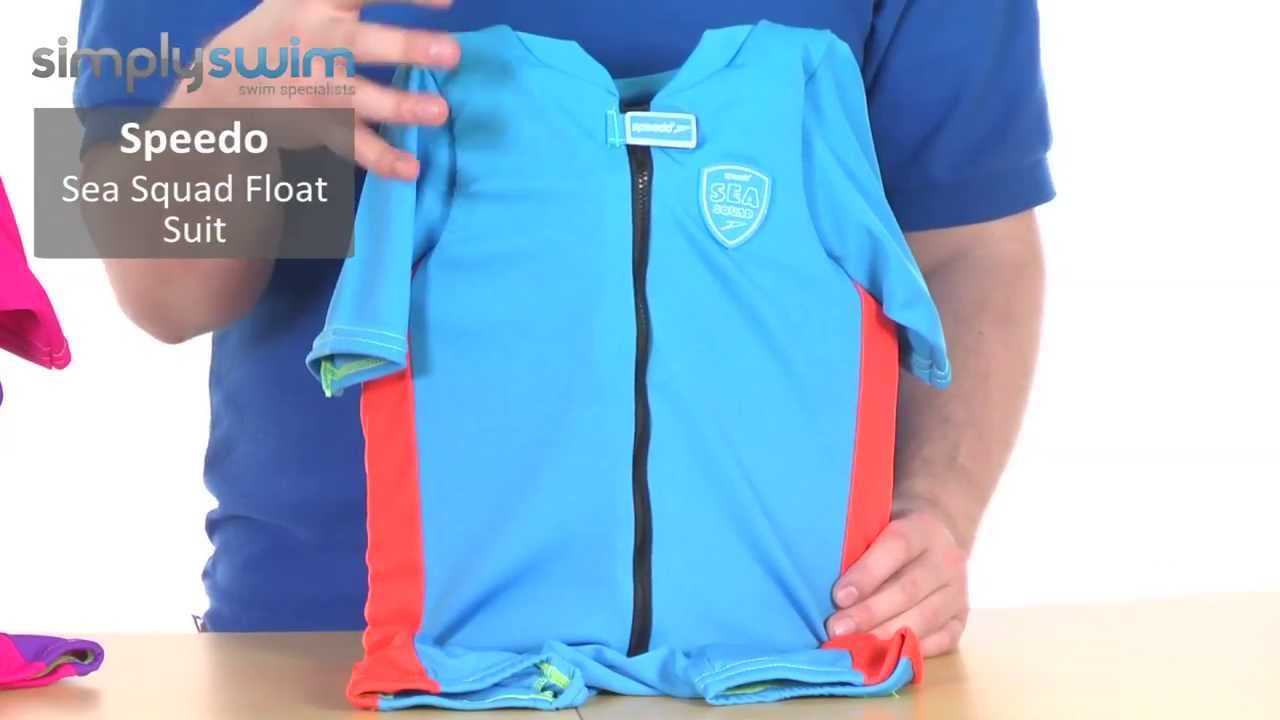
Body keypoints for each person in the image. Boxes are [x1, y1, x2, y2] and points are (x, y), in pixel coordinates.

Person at [75, 0, 1051, 658]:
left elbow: (970, 244)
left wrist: (935, 513)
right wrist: (224, 100)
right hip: (343, 646)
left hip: (783, 650)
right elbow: (162, 296)